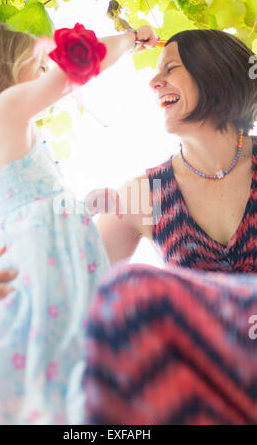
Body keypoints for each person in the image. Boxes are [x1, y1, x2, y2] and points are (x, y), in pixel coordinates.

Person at [0, 22, 158, 425]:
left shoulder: (16, 128)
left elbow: (45, 208)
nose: (49, 66)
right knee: (43, 357)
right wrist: (132, 39)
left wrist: (85, 207)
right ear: (9, 66)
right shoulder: (4, 113)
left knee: (59, 363)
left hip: (50, 263)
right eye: (40, 58)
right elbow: (77, 65)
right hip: (38, 269)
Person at [82, 29, 257, 424]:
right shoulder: (145, 194)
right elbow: (74, 283)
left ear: (215, 74)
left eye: (171, 69)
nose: (154, 81)